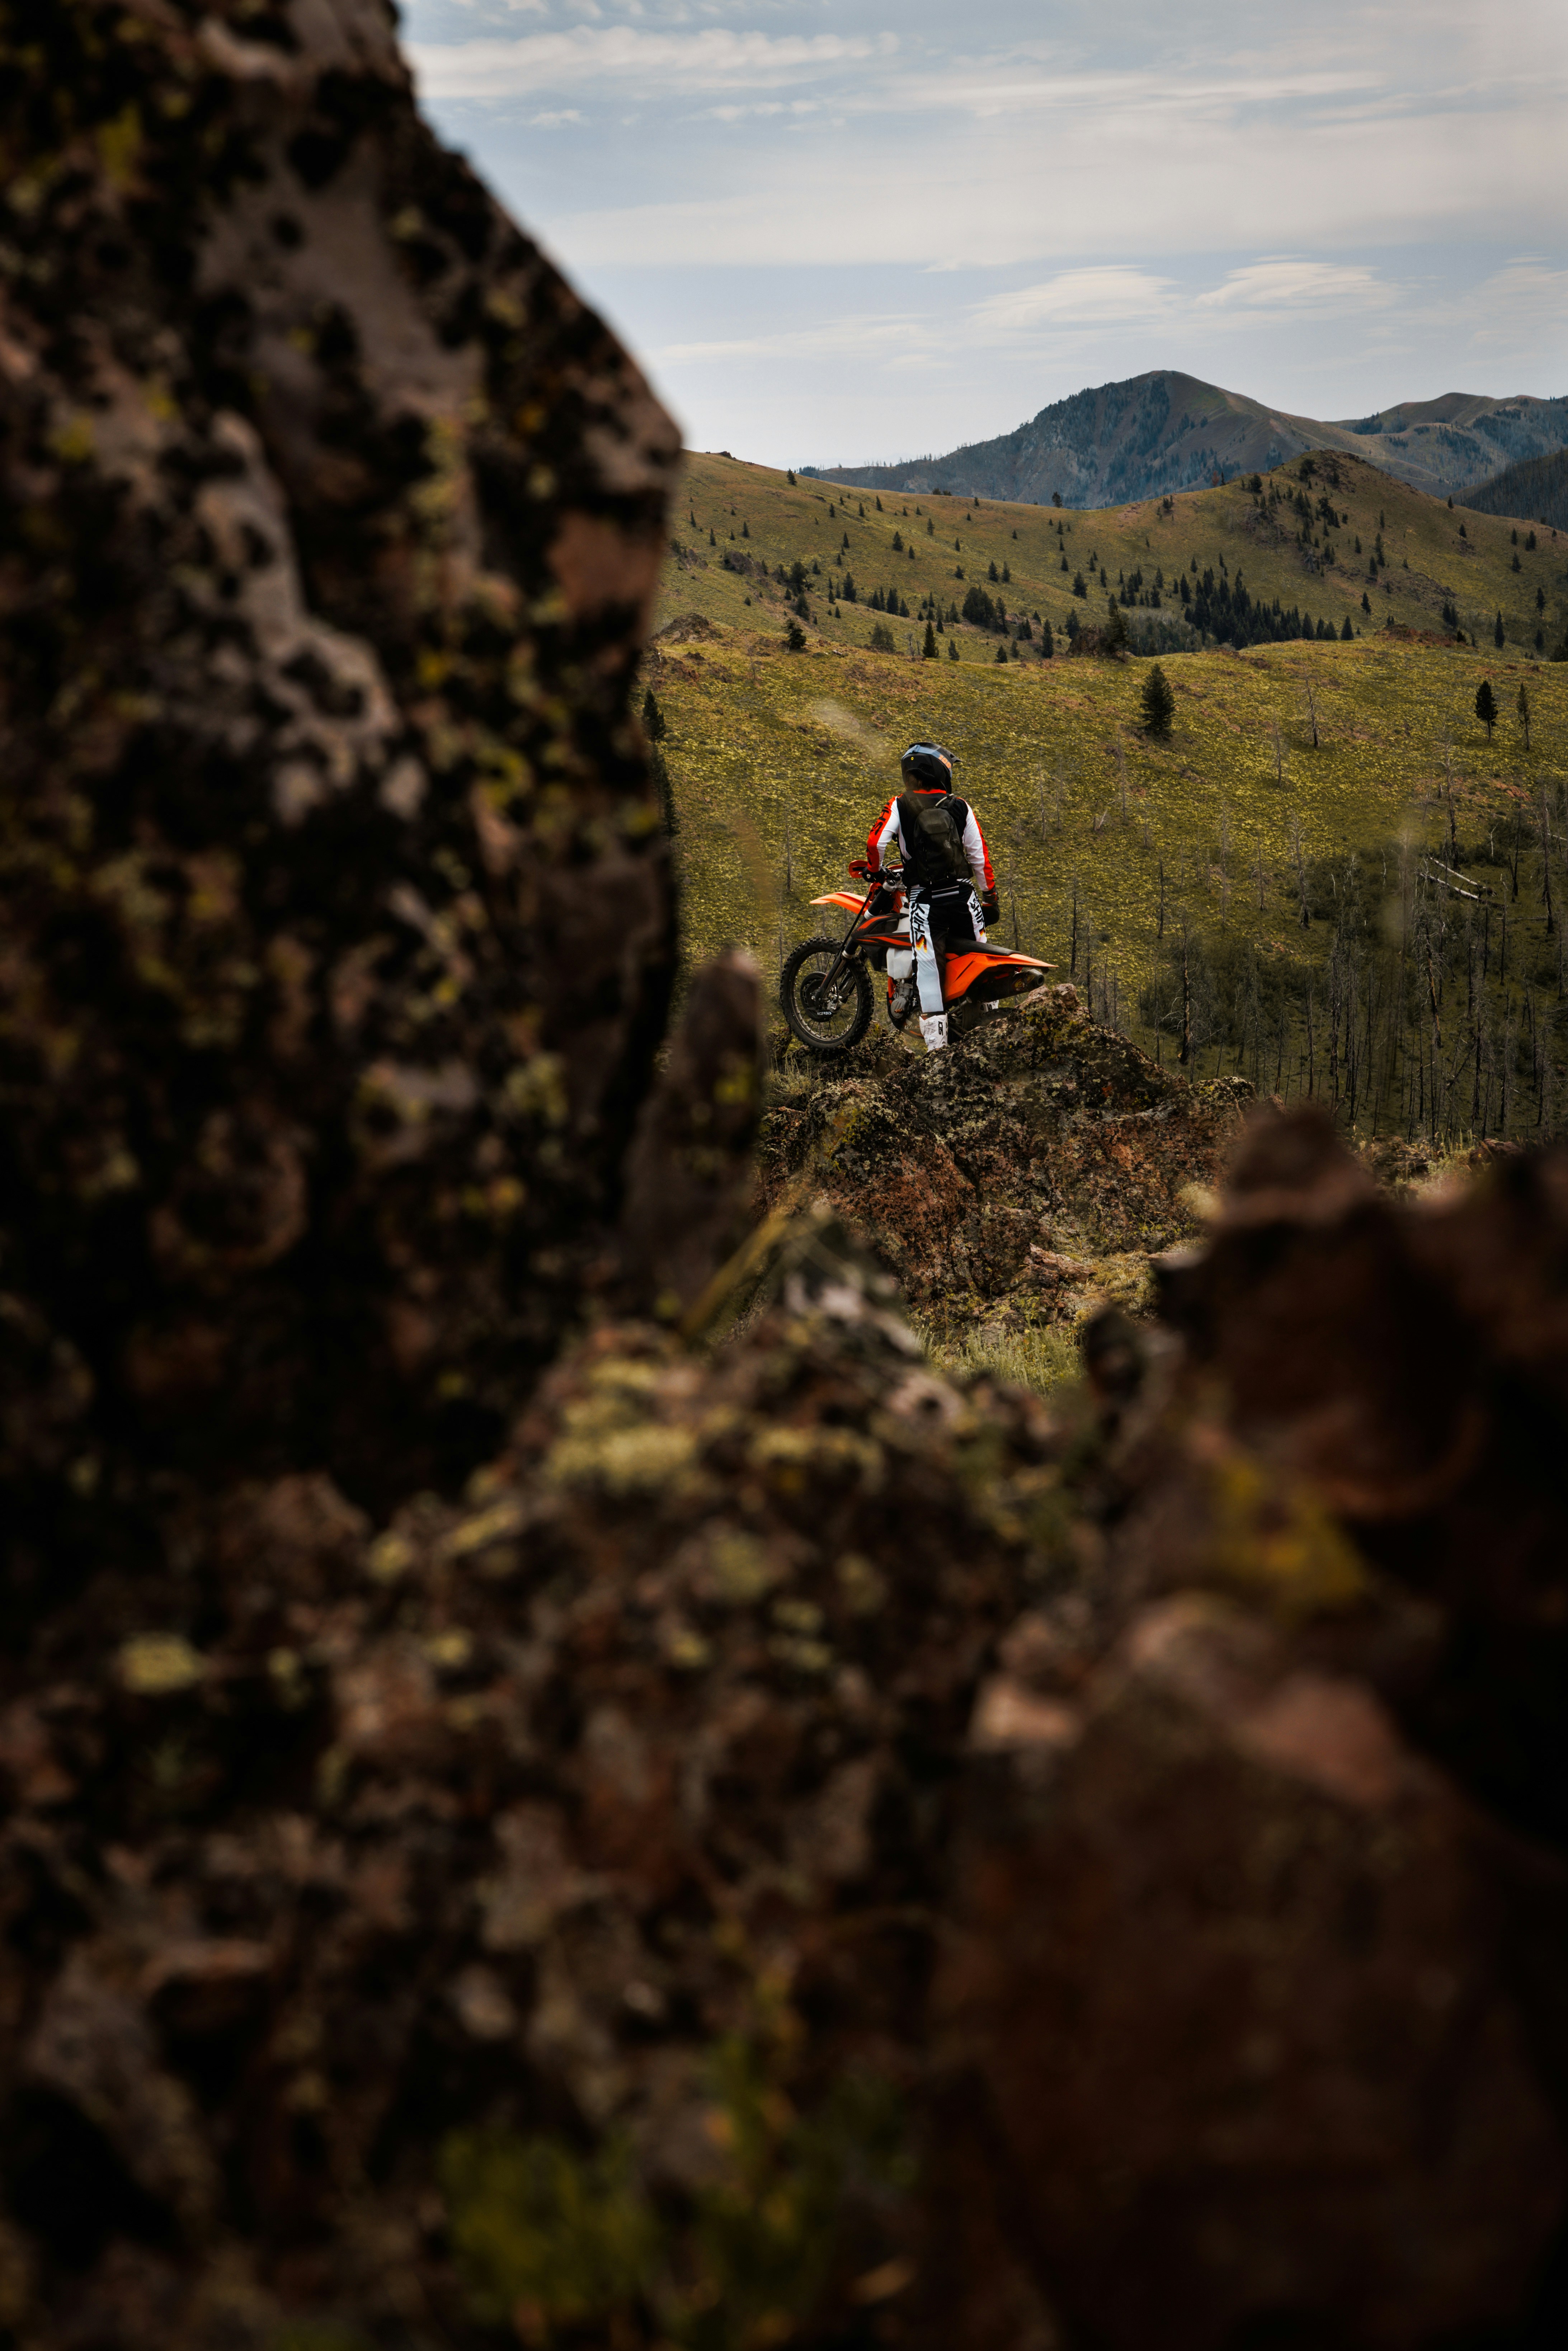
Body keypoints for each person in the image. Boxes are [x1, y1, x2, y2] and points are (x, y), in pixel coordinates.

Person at [866, 743, 998, 1050]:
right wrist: (990, 897)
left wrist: (875, 871)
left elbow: (876, 844)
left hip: (925, 901)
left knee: (927, 970)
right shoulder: (960, 806)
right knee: (982, 958)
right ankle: (993, 1033)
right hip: (965, 899)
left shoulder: (899, 805)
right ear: (939, 770)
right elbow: (980, 858)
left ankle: (938, 1055)